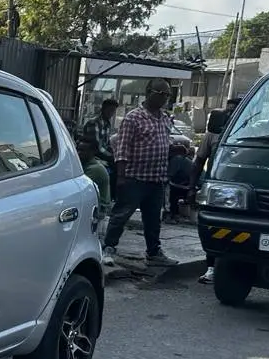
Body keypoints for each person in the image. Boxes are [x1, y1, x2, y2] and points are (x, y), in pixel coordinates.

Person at [102, 80, 178, 268]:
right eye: (161, 93)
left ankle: (153, 252)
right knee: (121, 214)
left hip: (157, 178)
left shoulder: (165, 118)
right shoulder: (133, 118)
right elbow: (122, 147)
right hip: (134, 177)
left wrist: (175, 150)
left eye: (168, 95)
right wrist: (121, 176)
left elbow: (163, 144)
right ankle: (108, 248)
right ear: (149, 93)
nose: (164, 98)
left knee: (153, 219)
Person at [191, 97, 241, 284]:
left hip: (240, 192)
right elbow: (198, 161)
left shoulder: (251, 134)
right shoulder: (212, 135)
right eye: (227, 111)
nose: (228, 114)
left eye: (234, 111)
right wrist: (191, 186)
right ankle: (211, 268)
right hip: (217, 189)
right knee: (213, 229)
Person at [80, 98, 119, 185]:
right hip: (92, 155)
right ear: (103, 109)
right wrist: (111, 157)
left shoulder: (107, 124)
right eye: (110, 110)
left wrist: (114, 154)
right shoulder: (94, 123)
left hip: (103, 154)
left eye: (113, 111)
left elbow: (107, 144)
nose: (111, 113)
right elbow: (96, 147)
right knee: (115, 167)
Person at [77, 138, 111, 215]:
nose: (79, 153)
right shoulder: (86, 164)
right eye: (78, 150)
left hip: (99, 211)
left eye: (83, 150)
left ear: (93, 152)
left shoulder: (95, 169)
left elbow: (78, 189)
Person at [167, 143, 194, 221]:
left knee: (172, 193)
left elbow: (169, 175)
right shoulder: (185, 159)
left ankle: (174, 214)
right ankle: (175, 214)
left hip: (189, 186)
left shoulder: (176, 159)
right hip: (190, 184)